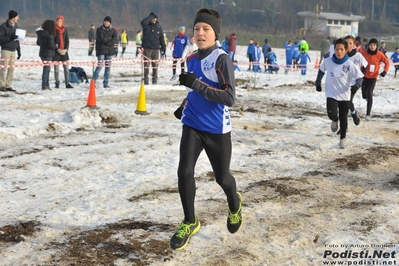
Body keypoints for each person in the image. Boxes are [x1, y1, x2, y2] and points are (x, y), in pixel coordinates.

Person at [170, 7, 242, 251]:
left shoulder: (222, 59)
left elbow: (229, 97)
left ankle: (235, 203)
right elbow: (194, 89)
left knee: (223, 178)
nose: (200, 33)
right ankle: (190, 221)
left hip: (216, 130)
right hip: (192, 124)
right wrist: (183, 105)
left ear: (215, 34)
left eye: (206, 29)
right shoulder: (191, 58)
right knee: (184, 171)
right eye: (197, 29)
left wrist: (197, 85)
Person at [315, 38, 364, 149]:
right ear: (334, 49)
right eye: (337, 49)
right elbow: (321, 70)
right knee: (331, 113)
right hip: (331, 93)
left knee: (344, 119)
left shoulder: (349, 64)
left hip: (345, 95)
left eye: (342, 49)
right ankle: (334, 119)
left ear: (346, 50)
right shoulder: (328, 61)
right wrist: (318, 82)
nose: (339, 52)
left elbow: (360, 77)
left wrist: (356, 86)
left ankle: (343, 139)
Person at [337, 35, 368, 134]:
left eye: (351, 43)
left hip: (354, 84)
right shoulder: (342, 55)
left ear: (354, 44)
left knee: (346, 104)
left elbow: (365, 65)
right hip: (342, 84)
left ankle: (343, 128)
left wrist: (362, 77)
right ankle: (354, 114)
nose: (349, 45)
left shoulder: (358, 56)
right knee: (345, 104)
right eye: (347, 43)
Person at [360, 38, 390, 120]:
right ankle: (368, 98)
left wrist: (385, 71)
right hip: (364, 76)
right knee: (364, 95)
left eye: (374, 45)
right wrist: (360, 70)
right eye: (371, 45)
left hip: (373, 77)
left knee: (369, 93)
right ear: (368, 45)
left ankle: (368, 114)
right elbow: (358, 61)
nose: (372, 46)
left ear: (376, 46)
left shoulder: (379, 54)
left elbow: (387, 62)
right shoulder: (363, 53)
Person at [140, 12, 166, 85]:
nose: (154, 20)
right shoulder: (146, 26)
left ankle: (154, 81)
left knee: (155, 66)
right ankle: (146, 81)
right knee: (146, 66)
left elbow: (161, 37)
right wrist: (150, 17)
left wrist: (163, 47)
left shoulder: (158, 26)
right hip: (147, 48)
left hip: (156, 49)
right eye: (152, 18)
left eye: (155, 18)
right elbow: (142, 22)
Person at [93, 16, 118, 88]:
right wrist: (109, 40)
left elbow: (115, 39)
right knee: (99, 66)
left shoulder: (113, 30)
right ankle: (94, 81)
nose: (106, 23)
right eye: (105, 21)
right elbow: (102, 39)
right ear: (103, 22)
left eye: (108, 22)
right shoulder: (99, 30)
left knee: (108, 68)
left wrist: (108, 41)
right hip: (101, 51)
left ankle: (106, 83)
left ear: (110, 23)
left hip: (110, 52)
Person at [0, 10, 21, 92]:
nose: (18, 18)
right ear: (13, 17)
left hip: (13, 50)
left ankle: (8, 85)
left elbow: (17, 40)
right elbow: (1, 39)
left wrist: (18, 50)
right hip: (6, 50)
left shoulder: (16, 27)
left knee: (11, 69)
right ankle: (1, 85)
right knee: (3, 68)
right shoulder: (3, 27)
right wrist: (10, 38)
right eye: (17, 17)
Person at [53, 15, 73, 89]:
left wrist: (66, 49)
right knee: (56, 69)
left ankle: (67, 83)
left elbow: (67, 41)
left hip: (64, 52)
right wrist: (57, 49)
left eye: (60, 21)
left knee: (66, 69)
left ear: (62, 22)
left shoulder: (65, 30)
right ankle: (57, 82)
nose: (59, 22)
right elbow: (53, 41)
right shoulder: (54, 30)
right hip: (56, 52)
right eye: (58, 21)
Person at [37, 20, 57, 91]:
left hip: (42, 53)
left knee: (46, 69)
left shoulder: (41, 34)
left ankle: (45, 84)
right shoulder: (50, 35)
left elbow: (38, 43)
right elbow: (51, 45)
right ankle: (45, 85)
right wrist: (56, 46)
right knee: (47, 70)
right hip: (48, 54)